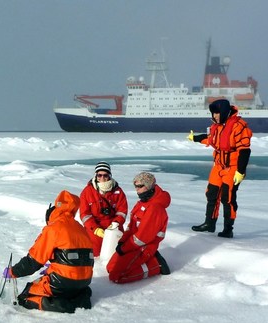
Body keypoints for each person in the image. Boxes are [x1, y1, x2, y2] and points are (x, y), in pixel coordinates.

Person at [4, 190, 94, 313]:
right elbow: (78, 255)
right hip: (84, 281)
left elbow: (33, 262)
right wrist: (55, 263)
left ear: (50, 216)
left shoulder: (53, 228)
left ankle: (62, 305)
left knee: (25, 295)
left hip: (62, 282)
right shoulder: (80, 228)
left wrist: (13, 271)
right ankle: (80, 298)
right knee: (71, 289)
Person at [187, 99, 252, 238]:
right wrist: (195, 138)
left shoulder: (239, 126)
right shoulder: (217, 126)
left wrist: (240, 171)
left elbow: (245, 150)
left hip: (232, 167)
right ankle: (209, 223)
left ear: (223, 111)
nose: (214, 116)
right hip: (218, 166)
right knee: (211, 193)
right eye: (213, 113)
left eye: (217, 113)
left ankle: (228, 229)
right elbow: (210, 139)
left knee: (227, 198)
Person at [106, 172, 171, 283]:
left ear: (149, 186)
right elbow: (131, 226)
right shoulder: (142, 203)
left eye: (140, 186)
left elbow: (142, 238)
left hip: (146, 246)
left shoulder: (155, 208)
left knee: (116, 277)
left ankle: (155, 265)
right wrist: (122, 242)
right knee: (110, 268)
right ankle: (146, 260)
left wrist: (124, 248)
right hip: (133, 244)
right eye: (135, 186)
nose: (137, 189)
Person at [79, 161, 128, 257]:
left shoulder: (118, 191)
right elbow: (84, 215)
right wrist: (96, 229)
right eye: (99, 175)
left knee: (116, 254)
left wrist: (116, 223)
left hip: (114, 227)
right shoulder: (87, 192)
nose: (102, 178)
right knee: (94, 255)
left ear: (109, 175)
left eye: (105, 175)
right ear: (96, 176)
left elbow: (122, 211)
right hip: (95, 228)